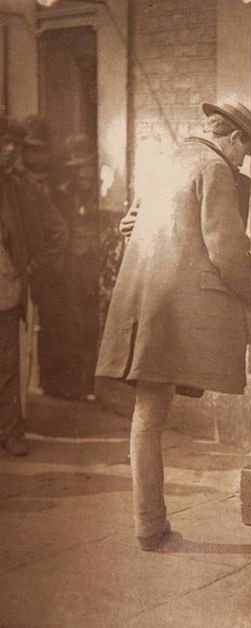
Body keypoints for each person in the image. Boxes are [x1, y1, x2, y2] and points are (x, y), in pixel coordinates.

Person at [96, 100, 251, 550]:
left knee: (147, 417)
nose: (242, 161)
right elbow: (227, 250)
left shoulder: (166, 161)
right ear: (233, 138)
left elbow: (130, 225)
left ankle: (149, 526)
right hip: (189, 303)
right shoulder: (214, 168)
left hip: (146, 306)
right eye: (244, 152)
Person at [0, 115, 67, 456]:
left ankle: (11, 431)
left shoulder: (20, 190)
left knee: (8, 366)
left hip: (6, 292)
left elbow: (58, 231)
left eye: (14, 145)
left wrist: (31, 266)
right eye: (4, 143)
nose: (10, 150)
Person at [18, 115, 81, 400]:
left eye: (41, 149)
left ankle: (56, 383)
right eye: (30, 149)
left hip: (58, 264)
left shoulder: (59, 181)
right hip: (27, 263)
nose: (36, 155)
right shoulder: (15, 181)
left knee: (60, 323)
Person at [59, 134, 100, 399]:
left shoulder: (104, 192)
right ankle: (77, 384)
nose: (80, 173)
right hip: (72, 264)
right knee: (74, 323)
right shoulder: (64, 194)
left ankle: (92, 384)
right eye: (75, 168)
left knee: (92, 323)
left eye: (84, 166)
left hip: (95, 263)